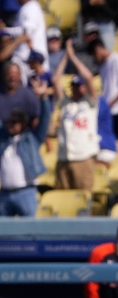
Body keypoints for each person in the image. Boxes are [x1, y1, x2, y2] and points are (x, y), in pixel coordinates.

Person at [52, 39, 99, 191]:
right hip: (63, 158)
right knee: (63, 201)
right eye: (74, 86)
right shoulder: (65, 102)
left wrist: (73, 58)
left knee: (83, 201)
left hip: (83, 158)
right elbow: (55, 79)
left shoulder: (90, 103)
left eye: (79, 86)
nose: (77, 89)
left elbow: (89, 77)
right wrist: (66, 55)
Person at [0, 78, 50, 217]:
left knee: (29, 230)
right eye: (8, 122)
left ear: (23, 123)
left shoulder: (32, 138)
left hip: (26, 192)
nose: (10, 125)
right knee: (3, 233)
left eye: (14, 122)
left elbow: (45, 119)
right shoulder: (3, 139)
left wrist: (44, 98)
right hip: (4, 193)